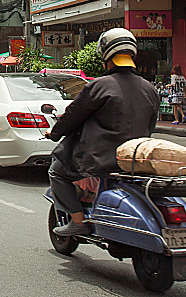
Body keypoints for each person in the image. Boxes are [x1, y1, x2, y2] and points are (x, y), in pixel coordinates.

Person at [45, 28, 159, 237]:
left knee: (57, 171)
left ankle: (78, 221)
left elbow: (72, 116)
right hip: (135, 159)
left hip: (102, 159)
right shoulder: (149, 89)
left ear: (106, 55)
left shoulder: (99, 86)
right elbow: (151, 126)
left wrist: (54, 133)